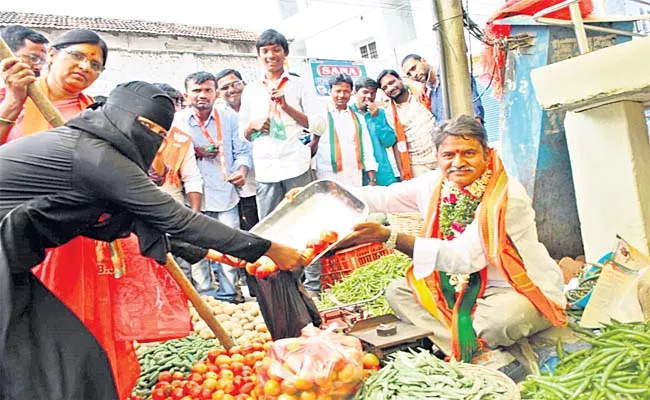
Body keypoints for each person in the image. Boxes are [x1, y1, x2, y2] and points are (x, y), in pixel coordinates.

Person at [0, 81, 305, 400]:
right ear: (116, 114)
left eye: (160, 134)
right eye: (144, 125)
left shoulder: (97, 148)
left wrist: (216, 254)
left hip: (11, 257)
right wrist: (268, 249)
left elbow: (141, 222)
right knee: (61, 362)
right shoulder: (96, 156)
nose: (151, 138)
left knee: (61, 362)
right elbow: (177, 218)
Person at [332, 115, 566, 362]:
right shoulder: (436, 184)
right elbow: (384, 197)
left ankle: (473, 347)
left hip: (512, 289)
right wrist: (326, 193)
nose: (458, 162)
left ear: (487, 154)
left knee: (501, 322)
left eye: (468, 153)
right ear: (438, 157)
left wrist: (391, 238)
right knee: (398, 292)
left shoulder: (507, 197)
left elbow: (464, 258)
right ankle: (471, 351)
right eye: (449, 155)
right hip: (459, 286)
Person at [174, 71, 252, 303]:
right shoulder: (178, 122)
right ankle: (207, 298)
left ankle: (229, 296)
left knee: (229, 246)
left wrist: (242, 171)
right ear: (186, 95)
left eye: (208, 90)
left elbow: (242, 151)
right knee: (197, 251)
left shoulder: (227, 118)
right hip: (191, 198)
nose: (202, 95)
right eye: (197, 91)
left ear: (215, 93)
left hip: (225, 193)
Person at [239, 29, 319, 219]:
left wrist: (287, 107)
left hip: (296, 164)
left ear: (285, 53)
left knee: (306, 218)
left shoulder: (300, 84)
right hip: (266, 169)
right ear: (258, 55)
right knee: (271, 224)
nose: (270, 55)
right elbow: (242, 134)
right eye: (265, 51)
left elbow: (319, 125)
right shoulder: (251, 90)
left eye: (276, 50)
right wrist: (252, 126)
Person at [0, 28, 106, 144]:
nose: (85, 67)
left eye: (95, 65)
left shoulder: (98, 116)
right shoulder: (6, 96)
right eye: (77, 55)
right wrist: (13, 102)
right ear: (51, 55)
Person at [310, 73, 378, 188]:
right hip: (326, 176)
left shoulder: (358, 118)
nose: (342, 95)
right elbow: (313, 149)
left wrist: (372, 179)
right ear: (330, 91)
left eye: (346, 91)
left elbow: (366, 148)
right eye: (338, 91)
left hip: (353, 176)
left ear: (351, 92)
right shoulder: (319, 116)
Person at [215, 68, 259, 231]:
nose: (231, 90)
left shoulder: (259, 108)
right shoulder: (220, 117)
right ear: (218, 93)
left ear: (244, 84)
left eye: (235, 84)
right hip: (243, 190)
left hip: (270, 180)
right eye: (225, 88)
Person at [377, 69, 437, 181]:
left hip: (440, 156)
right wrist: (402, 172)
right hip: (417, 165)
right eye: (385, 88)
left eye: (391, 83)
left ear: (400, 79)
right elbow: (396, 143)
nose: (390, 88)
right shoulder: (389, 112)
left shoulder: (422, 95)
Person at [401, 54, 485, 124]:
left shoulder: (451, 73)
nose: (413, 75)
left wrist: (476, 131)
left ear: (423, 61)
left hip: (469, 136)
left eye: (414, 68)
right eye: (409, 74)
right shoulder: (427, 93)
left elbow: (474, 105)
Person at [350, 77, 397, 187]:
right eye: (365, 92)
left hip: (382, 172)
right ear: (355, 92)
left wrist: (376, 118)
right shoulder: (348, 113)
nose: (369, 97)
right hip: (357, 173)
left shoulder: (380, 113)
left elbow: (389, 142)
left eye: (373, 93)